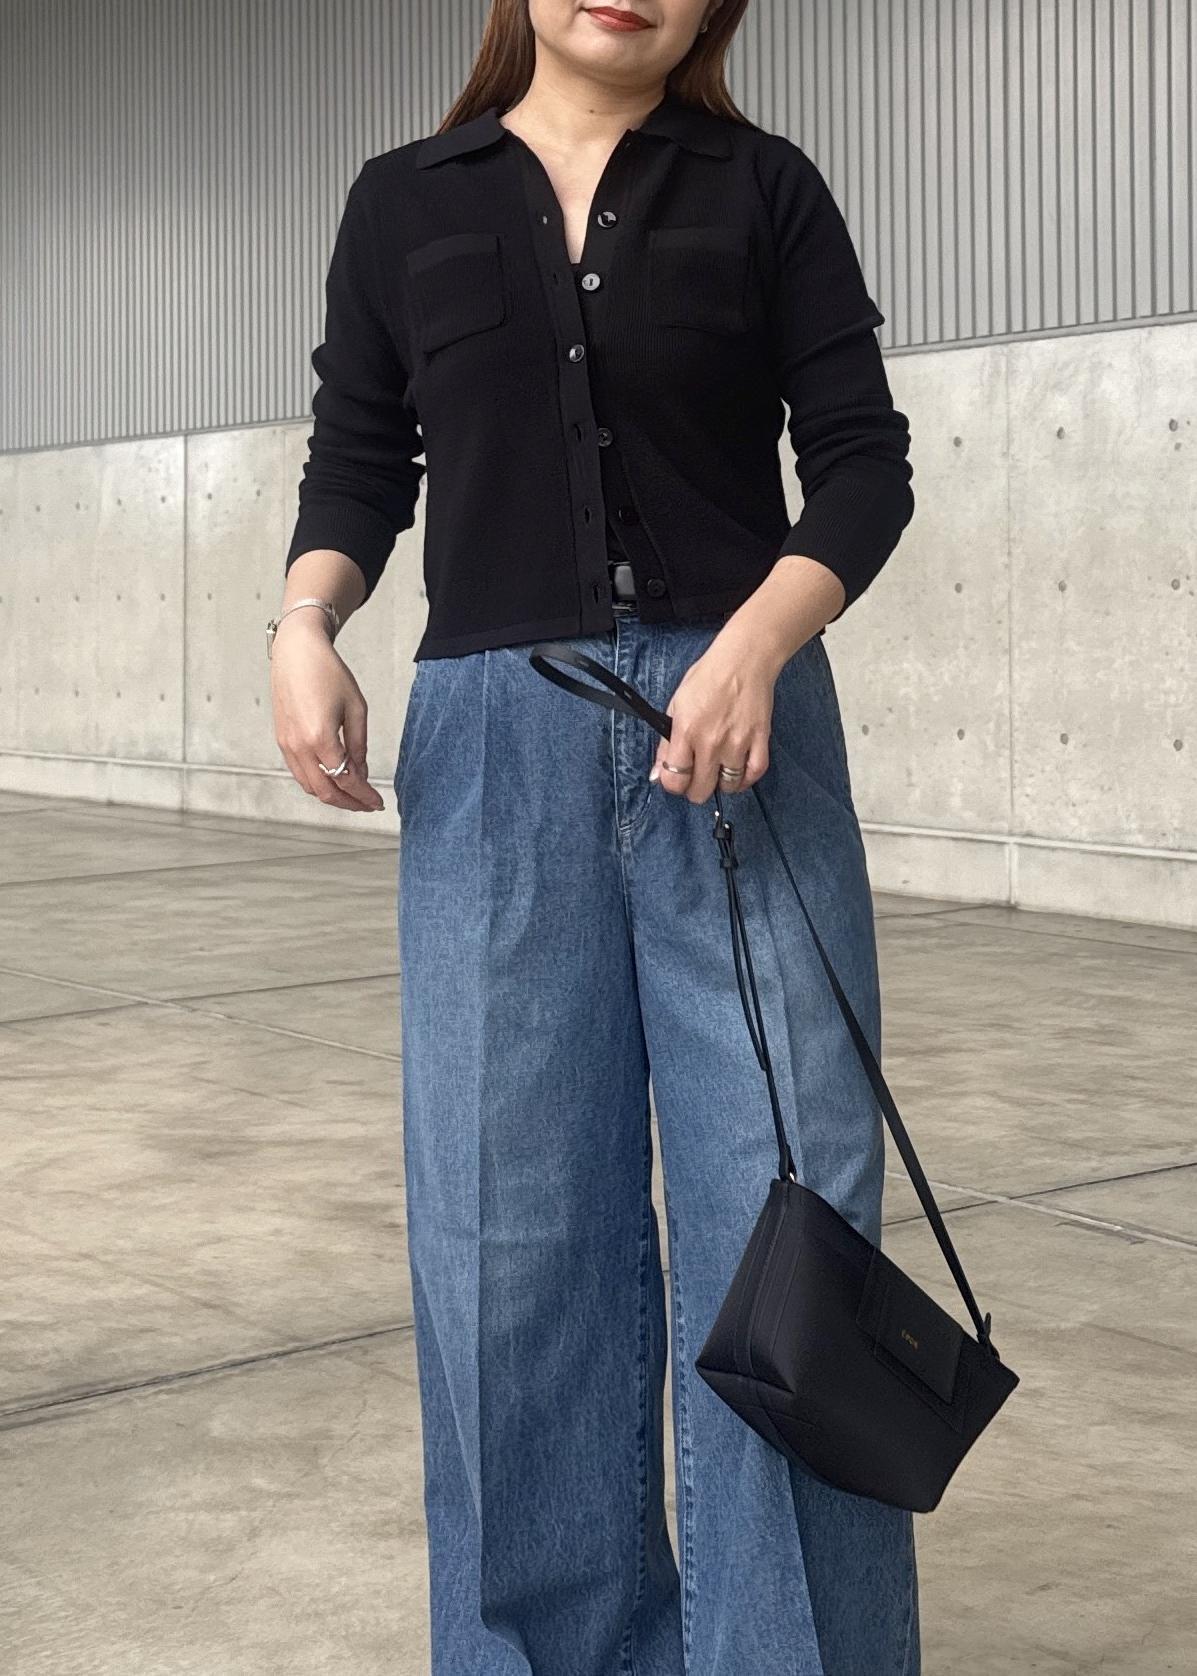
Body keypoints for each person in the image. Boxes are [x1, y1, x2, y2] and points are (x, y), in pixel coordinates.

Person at [270, 2, 920, 1672]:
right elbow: (361, 457)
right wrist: (306, 621)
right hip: (496, 745)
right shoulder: (403, 200)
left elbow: (861, 463)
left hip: (740, 737)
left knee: (789, 1216)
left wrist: (756, 643)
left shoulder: (761, 187)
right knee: (507, 1231)